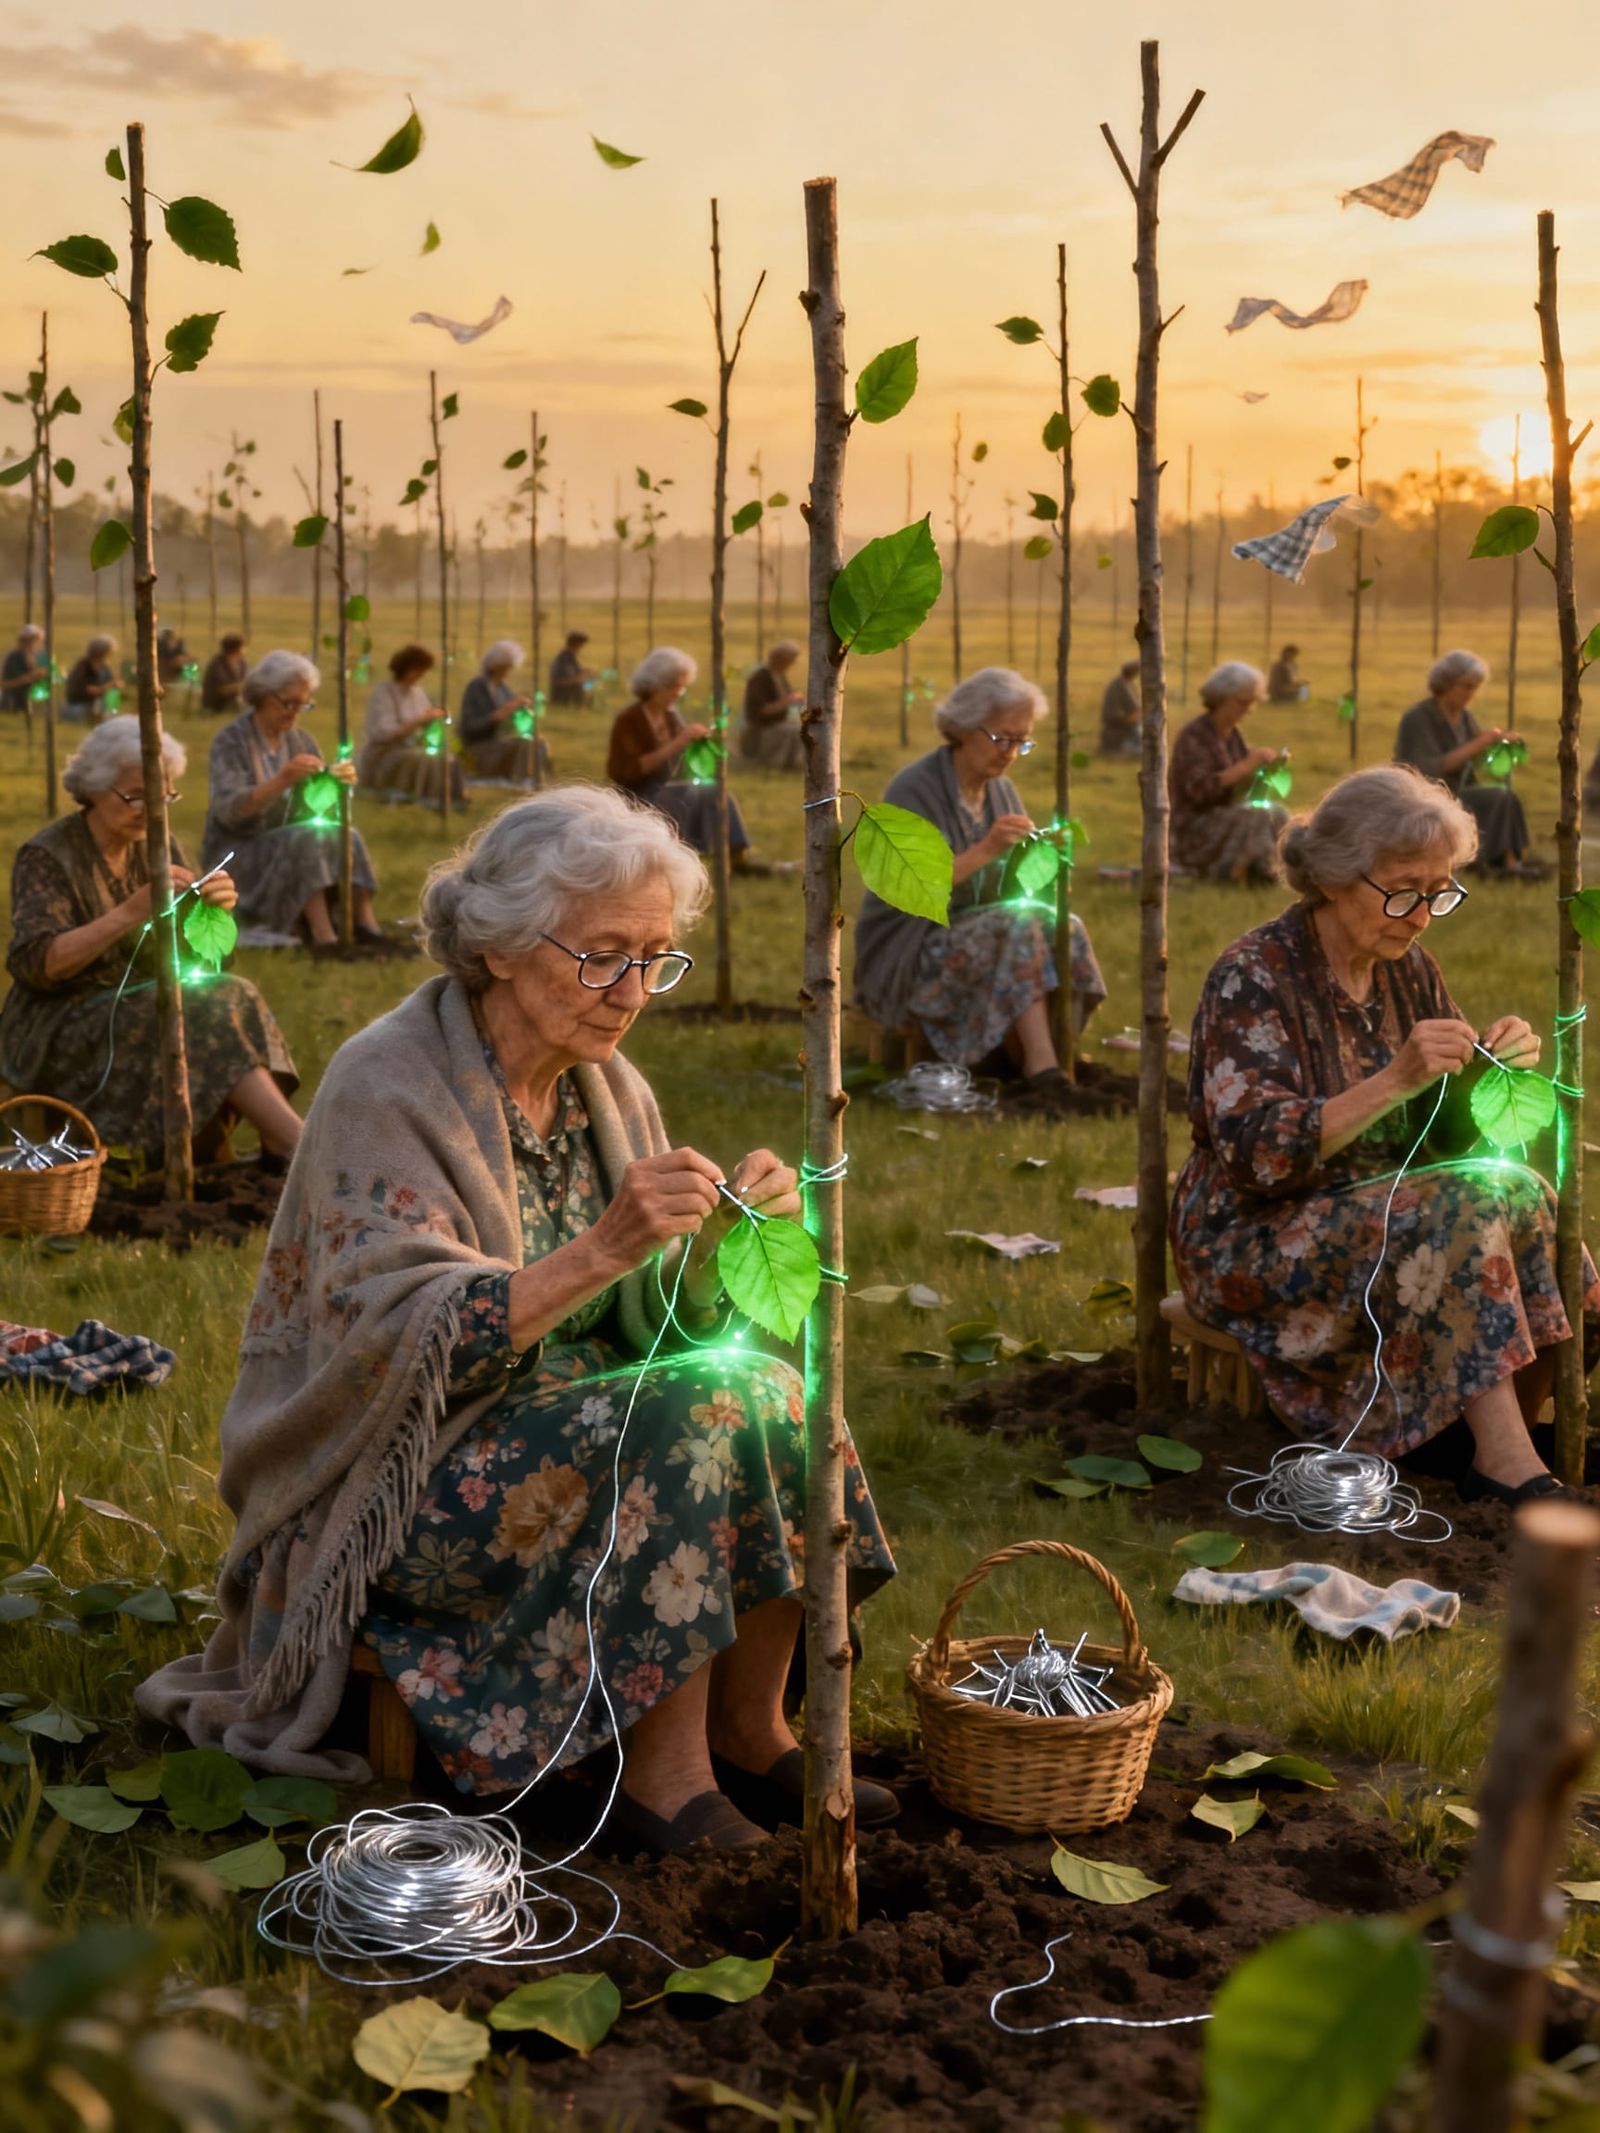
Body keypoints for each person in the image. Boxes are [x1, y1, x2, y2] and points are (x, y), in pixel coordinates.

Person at [136, 786, 897, 1853]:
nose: (632, 991)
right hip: (400, 1476)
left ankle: (748, 1722)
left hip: (570, 1433)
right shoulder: (385, 1085)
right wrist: (606, 1246)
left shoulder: (607, 1086)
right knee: (690, 1412)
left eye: (656, 957)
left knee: (773, 1389)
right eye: (602, 956)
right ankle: (661, 1778)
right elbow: (394, 1347)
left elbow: (648, 1327)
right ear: (497, 945)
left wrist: (710, 1253)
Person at [1172, 765, 1599, 1503]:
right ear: (1334, 877)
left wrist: (1487, 1069)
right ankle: (1503, 1466)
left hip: (1385, 1208)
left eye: (1440, 892)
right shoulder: (1253, 975)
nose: (1423, 915)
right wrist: (1395, 1079)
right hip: (1253, 1234)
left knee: (1523, 1192)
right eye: (1404, 891)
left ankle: (1498, 1435)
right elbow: (1256, 1157)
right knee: (1463, 1206)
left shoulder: (1408, 969)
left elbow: (1447, 1141)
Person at [1, 716, 302, 1163]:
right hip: (61, 1021)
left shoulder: (157, 844)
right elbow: (40, 965)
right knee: (206, 1004)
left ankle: (283, 1138)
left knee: (233, 993)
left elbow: (192, 958)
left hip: (138, 997)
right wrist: (128, 913)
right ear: (93, 788)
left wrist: (211, 912)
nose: (151, 809)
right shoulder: (48, 855)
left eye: (163, 796)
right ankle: (296, 1142)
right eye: (135, 796)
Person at [853, 667, 1107, 1111]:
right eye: (1002, 738)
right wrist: (988, 848)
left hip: (982, 930)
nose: (1010, 753)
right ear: (965, 726)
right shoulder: (915, 789)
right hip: (912, 941)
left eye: (1021, 742)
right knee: (1015, 925)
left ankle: (1056, 1050)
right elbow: (912, 887)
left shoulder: (1000, 792)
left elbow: (1016, 892)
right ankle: (1041, 1067)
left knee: (1064, 924)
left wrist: (1044, 858)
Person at [203, 650, 385, 951]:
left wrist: (335, 785)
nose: (295, 712)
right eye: (288, 703)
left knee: (345, 834)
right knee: (304, 838)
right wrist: (281, 780)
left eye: (303, 705)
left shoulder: (301, 741)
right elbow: (229, 812)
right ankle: (324, 936)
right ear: (263, 695)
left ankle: (364, 923)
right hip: (239, 853)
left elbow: (318, 810)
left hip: (289, 842)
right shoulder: (232, 741)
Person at [607, 647, 767, 873]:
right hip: (638, 793)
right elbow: (629, 770)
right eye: (673, 686)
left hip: (669, 786)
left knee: (716, 791)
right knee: (679, 798)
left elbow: (683, 760)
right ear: (654, 685)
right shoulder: (629, 720)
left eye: (682, 687)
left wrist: (703, 742)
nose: (678, 693)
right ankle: (685, 858)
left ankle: (737, 856)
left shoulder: (670, 716)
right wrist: (679, 742)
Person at [1394, 650, 1534, 875]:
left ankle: (1510, 859)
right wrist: (1480, 742)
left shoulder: (1465, 717)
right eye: (1466, 687)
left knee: (1506, 795)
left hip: (1459, 789)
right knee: (1499, 797)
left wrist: (1498, 746)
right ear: (1446, 683)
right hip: (1426, 796)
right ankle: (1497, 862)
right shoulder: (1418, 718)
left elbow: (1474, 761)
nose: (1471, 694)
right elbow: (1430, 768)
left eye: (1475, 688)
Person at [1169, 661, 1288, 881]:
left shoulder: (1233, 735)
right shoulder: (1194, 736)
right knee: (1258, 816)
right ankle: (1255, 872)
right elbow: (1199, 792)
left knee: (1277, 813)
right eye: (1242, 703)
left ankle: (1283, 868)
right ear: (1220, 698)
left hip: (1225, 816)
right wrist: (1246, 765)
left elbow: (1243, 790)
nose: (1248, 710)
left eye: (1251, 703)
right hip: (1193, 828)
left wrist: (1265, 771)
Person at [358, 645, 465, 809]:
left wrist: (436, 718)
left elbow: (423, 723)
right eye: (418, 670)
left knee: (446, 758)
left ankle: (452, 799)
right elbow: (384, 732)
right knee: (422, 759)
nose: (421, 674)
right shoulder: (385, 692)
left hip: (411, 747)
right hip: (384, 753)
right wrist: (420, 720)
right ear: (405, 668)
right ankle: (423, 798)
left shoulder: (417, 692)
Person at [459, 640, 551, 782]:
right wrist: (500, 714)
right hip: (480, 747)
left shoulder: (502, 688)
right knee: (523, 745)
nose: (507, 672)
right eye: (505, 668)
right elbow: (470, 727)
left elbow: (511, 720)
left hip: (500, 743)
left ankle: (541, 779)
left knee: (538, 743)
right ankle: (521, 780)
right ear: (495, 666)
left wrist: (523, 709)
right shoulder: (476, 687)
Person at [740, 641, 804, 770]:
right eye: (790, 660)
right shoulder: (760, 678)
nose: (791, 664)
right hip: (760, 729)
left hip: (775, 724)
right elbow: (763, 710)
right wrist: (788, 701)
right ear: (778, 658)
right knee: (794, 731)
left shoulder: (779, 676)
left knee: (800, 728)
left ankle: (794, 763)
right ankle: (780, 763)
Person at [62, 635, 117, 724]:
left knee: (111, 711)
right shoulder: (83, 666)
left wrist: (114, 685)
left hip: (95, 705)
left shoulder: (104, 667)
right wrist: (111, 685)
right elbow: (92, 690)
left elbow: (111, 682)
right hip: (78, 707)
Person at [1098, 659, 1141, 757]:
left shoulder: (1121, 683)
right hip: (1118, 730)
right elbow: (1135, 709)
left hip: (1117, 727)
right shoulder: (1121, 686)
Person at [201, 634, 249, 717]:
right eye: (243, 647)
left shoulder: (242, 662)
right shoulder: (217, 663)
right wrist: (244, 685)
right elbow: (223, 690)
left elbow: (247, 678)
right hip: (216, 702)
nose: (245, 650)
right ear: (234, 649)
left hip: (234, 698)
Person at [1, 624, 45, 714]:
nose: (37, 643)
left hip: (36, 696)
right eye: (32, 640)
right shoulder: (13, 657)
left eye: (38, 640)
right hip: (14, 696)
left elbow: (49, 674)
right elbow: (12, 683)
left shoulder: (41, 656)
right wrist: (33, 674)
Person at [549, 630, 594, 707]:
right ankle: (586, 700)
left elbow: (578, 673)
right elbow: (560, 681)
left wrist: (587, 673)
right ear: (576, 644)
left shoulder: (571, 657)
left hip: (571, 691)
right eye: (581, 645)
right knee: (588, 684)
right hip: (563, 696)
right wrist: (581, 678)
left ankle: (588, 699)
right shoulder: (562, 659)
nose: (581, 648)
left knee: (590, 683)